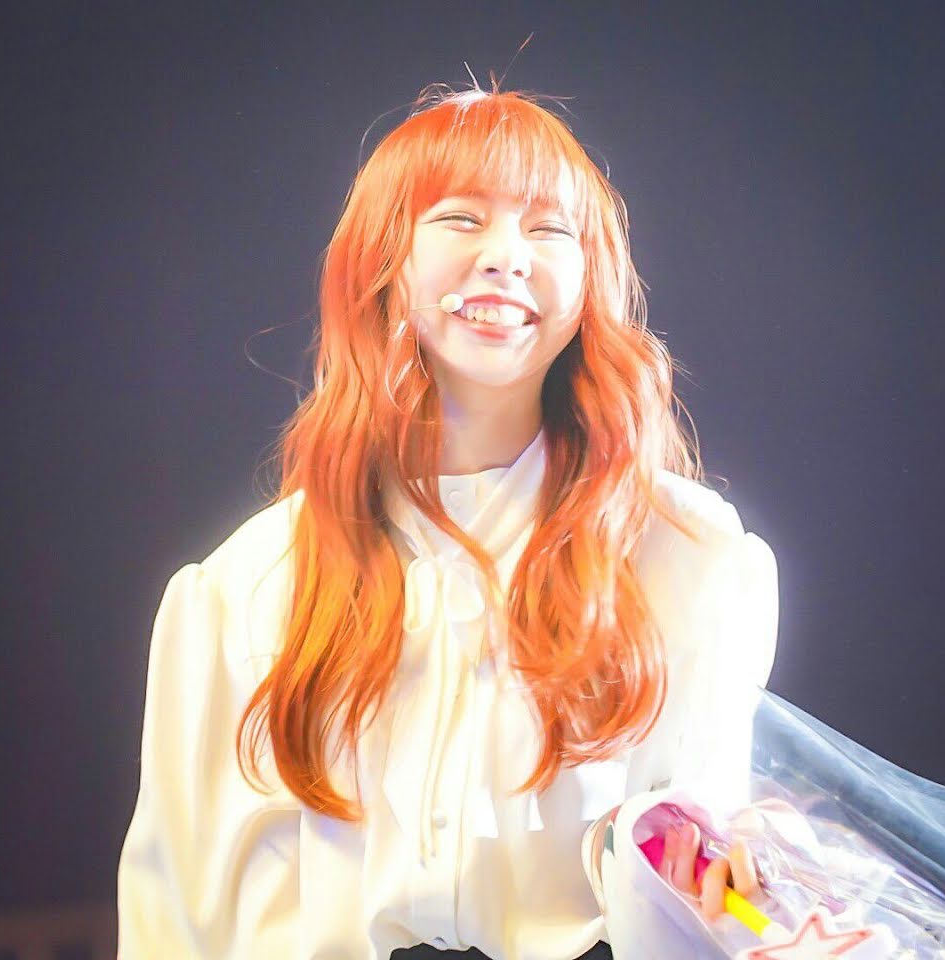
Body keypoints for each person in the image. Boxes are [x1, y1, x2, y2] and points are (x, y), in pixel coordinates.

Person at [117, 80, 779, 959]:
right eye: (462, 218)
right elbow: (174, 918)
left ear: (592, 278)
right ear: (383, 260)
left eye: (549, 229)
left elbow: (708, 882)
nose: (506, 257)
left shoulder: (687, 555)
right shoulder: (244, 587)